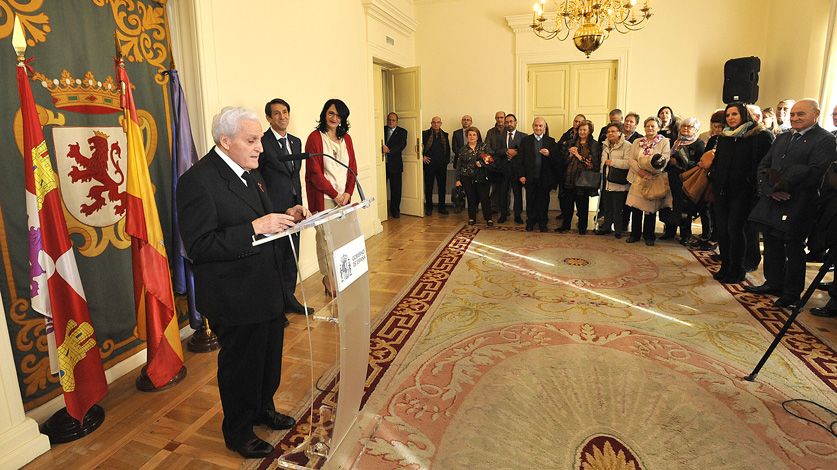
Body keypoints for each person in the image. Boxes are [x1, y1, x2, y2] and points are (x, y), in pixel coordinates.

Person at [178, 107, 305, 459]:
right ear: (225, 141)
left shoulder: (251, 173)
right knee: (241, 368)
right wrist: (254, 228)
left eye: (260, 140)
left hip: (267, 288)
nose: (260, 148)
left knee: (268, 358)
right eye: (251, 141)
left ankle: (263, 408)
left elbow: (261, 217)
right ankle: (238, 431)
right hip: (235, 294)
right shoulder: (197, 181)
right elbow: (200, 247)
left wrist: (287, 216)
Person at [746, 99, 837, 308]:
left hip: (800, 203)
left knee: (793, 247)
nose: (794, 118)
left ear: (815, 114)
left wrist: (783, 187)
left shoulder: (824, 140)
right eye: (793, 114)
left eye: (800, 114)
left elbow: (817, 172)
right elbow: (764, 164)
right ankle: (773, 282)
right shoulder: (784, 136)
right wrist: (770, 190)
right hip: (773, 200)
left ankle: (792, 293)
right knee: (771, 242)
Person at [258, 98, 313, 316]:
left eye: (285, 112)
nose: (282, 117)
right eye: (277, 114)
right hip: (274, 211)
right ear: (269, 118)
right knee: (277, 260)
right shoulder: (262, 142)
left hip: (295, 210)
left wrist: (300, 203)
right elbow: (258, 179)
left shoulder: (297, 142)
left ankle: (290, 300)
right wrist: (269, 209)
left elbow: (295, 177)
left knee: (292, 257)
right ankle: (276, 308)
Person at [709, 102, 773, 284]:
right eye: (728, 115)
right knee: (722, 230)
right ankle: (726, 265)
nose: (730, 118)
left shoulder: (760, 135)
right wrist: (713, 175)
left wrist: (749, 180)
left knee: (735, 230)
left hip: (744, 192)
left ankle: (737, 269)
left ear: (744, 115)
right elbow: (718, 160)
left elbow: (766, 165)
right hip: (721, 190)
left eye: (734, 114)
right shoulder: (724, 136)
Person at [305, 99, 358, 296]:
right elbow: (314, 173)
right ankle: (329, 279)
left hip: (344, 198)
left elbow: (352, 168)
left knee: (343, 240)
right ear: (324, 114)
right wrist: (335, 194)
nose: (335, 118)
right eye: (331, 114)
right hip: (325, 197)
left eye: (338, 115)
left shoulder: (347, 139)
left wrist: (347, 194)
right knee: (326, 241)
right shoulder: (315, 138)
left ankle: (343, 276)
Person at [625, 117, 672, 246]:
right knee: (636, 207)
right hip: (639, 177)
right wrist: (641, 172)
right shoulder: (637, 141)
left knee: (650, 209)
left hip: (653, 178)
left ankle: (649, 236)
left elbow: (665, 158)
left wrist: (652, 171)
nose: (650, 128)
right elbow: (631, 159)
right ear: (644, 128)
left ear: (658, 127)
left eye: (653, 126)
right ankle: (635, 234)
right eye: (647, 126)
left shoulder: (663, 142)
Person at [661, 117, 706, 243]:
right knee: (670, 205)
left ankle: (685, 235)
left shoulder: (699, 144)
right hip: (672, 178)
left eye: (690, 127)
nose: (686, 129)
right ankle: (669, 231)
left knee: (685, 208)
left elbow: (699, 164)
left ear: (696, 130)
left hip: (688, 180)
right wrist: (670, 162)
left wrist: (679, 161)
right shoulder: (676, 143)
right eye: (684, 126)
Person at [558, 120, 600, 234]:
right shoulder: (570, 142)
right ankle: (565, 226)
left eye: (584, 130)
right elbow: (563, 162)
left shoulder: (594, 145)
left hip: (583, 180)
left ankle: (582, 228)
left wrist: (578, 155)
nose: (582, 132)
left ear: (589, 131)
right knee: (567, 206)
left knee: (582, 206)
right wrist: (570, 155)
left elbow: (593, 165)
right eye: (580, 129)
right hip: (569, 178)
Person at [520, 117, 557, 232]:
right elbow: (520, 160)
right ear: (533, 126)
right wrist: (521, 175)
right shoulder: (525, 140)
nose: (538, 128)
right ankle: (530, 222)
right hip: (529, 177)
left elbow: (557, 160)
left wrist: (549, 154)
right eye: (536, 125)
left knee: (543, 201)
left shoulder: (550, 141)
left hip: (544, 178)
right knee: (530, 201)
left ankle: (543, 223)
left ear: (544, 127)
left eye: (540, 126)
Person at [597, 122, 631, 238]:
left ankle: (618, 230)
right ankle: (606, 227)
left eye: (613, 131)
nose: (610, 133)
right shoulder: (605, 145)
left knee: (617, 208)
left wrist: (613, 163)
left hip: (619, 182)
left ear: (620, 132)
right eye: (608, 132)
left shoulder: (627, 145)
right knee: (607, 207)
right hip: (606, 180)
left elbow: (628, 163)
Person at [455, 127, 494, 226]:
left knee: (484, 198)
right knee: (471, 198)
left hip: (482, 177)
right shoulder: (463, 149)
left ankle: (488, 218)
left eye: (474, 135)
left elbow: (491, 161)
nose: (472, 137)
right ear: (467, 136)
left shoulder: (483, 147)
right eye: (470, 135)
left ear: (477, 136)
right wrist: (458, 180)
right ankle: (472, 218)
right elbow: (458, 165)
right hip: (467, 177)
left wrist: (482, 164)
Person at [494, 113, 527, 224]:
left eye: (511, 121)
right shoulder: (499, 136)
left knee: (518, 194)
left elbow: (526, 152)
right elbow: (496, 151)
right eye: (507, 122)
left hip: (517, 170)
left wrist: (516, 152)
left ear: (515, 122)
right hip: (503, 170)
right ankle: (503, 215)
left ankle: (518, 215)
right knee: (503, 193)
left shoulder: (523, 136)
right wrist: (507, 151)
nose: (509, 124)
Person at [422, 116, 451, 215]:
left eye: (438, 122)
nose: (436, 124)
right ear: (431, 123)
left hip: (441, 165)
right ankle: (429, 208)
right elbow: (418, 147)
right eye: (434, 122)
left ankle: (442, 208)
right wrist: (422, 156)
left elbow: (447, 150)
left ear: (441, 123)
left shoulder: (445, 135)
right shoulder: (424, 134)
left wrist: (446, 161)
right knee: (429, 186)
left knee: (442, 187)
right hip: (429, 165)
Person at [383, 112, 407, 218]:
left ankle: (395, 210)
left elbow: (401, 145)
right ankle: (381, 211)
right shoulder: (382, 129)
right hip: (382, 165)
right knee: (380, 187)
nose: (390, 122)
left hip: (395, 164)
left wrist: (389, 150)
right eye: (389, 120)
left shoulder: (402, 132)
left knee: (396, 189)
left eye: (393, 120)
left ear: (397, 121)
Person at [485, 111, 507, 216]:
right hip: (494, 164)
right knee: (495, 188)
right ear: (495, 118)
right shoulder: (490, 132)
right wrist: (498, 153)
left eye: (501, 117)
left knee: (506, 188)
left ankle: (505, 209)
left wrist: (503, 152)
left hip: (507, 163)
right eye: (497, 117)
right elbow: (487, 148)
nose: (499, 119)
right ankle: (494, 207)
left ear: (505, 118)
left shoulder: (509, 131)